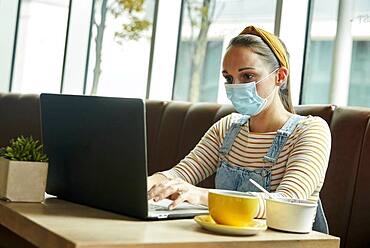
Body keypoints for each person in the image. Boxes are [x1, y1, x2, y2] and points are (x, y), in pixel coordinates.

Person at [147, 25, 331, 233]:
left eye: (248, 76)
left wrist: (200, 196)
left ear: (280, 77)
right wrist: (144, 185)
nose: (236, 86)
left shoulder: (310, 131)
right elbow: (180, 174)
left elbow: (287, 202)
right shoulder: (228, 127)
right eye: (229, 78)